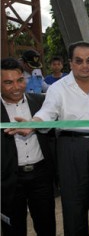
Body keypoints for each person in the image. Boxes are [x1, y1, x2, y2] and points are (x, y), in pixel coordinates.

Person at [33, 41, 89, 236]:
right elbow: (47, 113)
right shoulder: (58, 88)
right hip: (70, 148)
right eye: (78, 61)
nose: (84, 65)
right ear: (70, 63)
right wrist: (32, 123)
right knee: (73, 205)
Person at [1, 58, 56, 236]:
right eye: (8, 82)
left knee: (46, 226)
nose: (16, 87)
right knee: (13, 229)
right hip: (8, 179)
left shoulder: (41, 102)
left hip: (41, 176)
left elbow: (53, 128)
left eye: (20, 80)